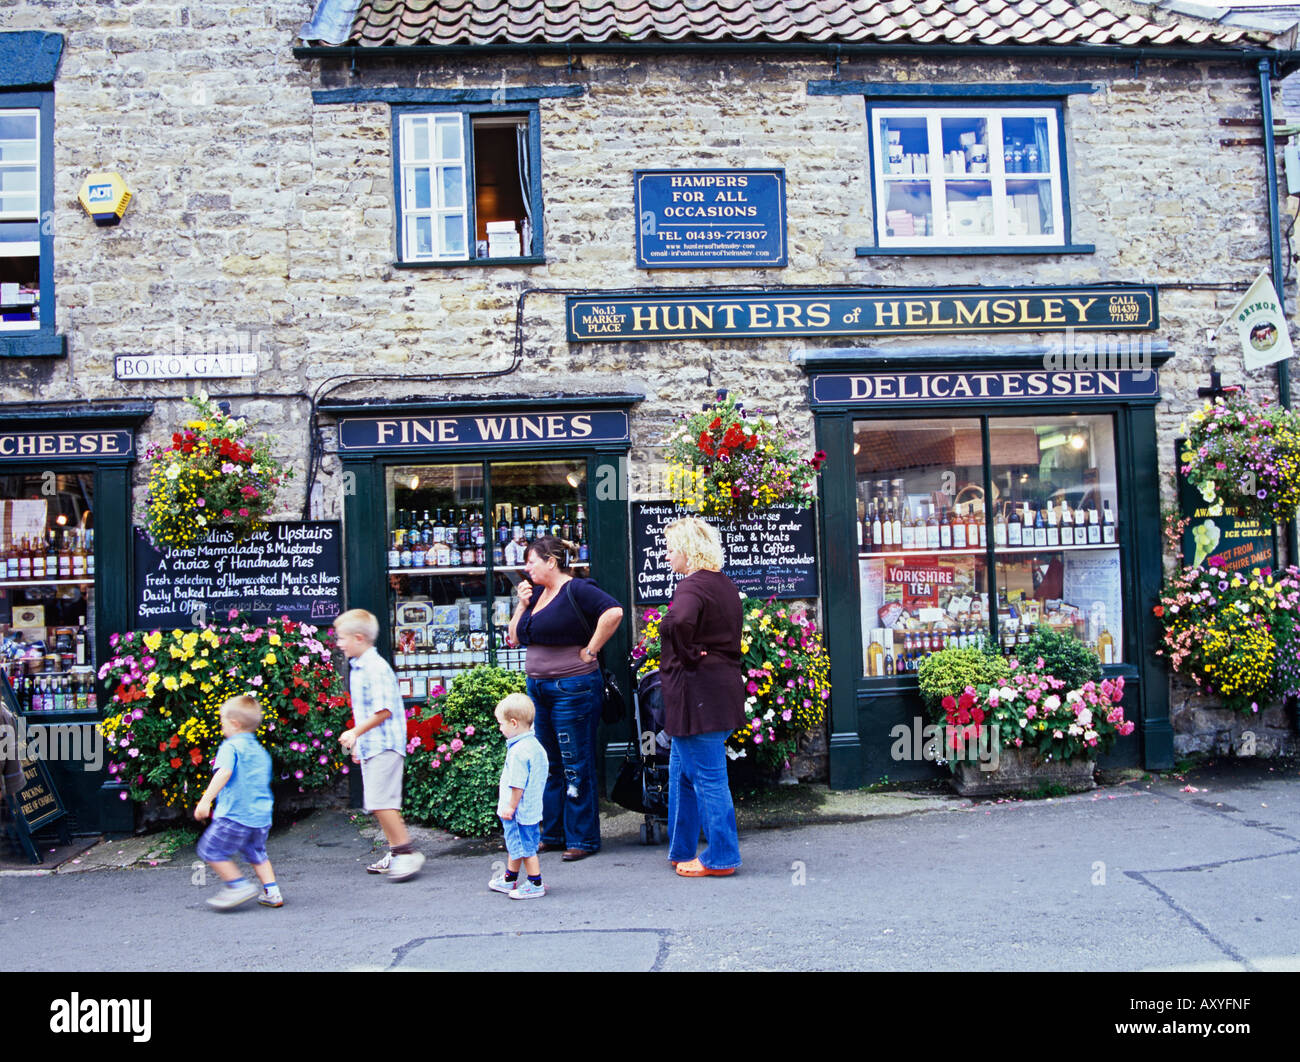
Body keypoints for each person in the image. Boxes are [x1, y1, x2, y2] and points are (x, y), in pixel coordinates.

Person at [507, 534, 623, 860]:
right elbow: (515, 637)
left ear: (551, 562)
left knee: (575, 762)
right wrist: (521, 604)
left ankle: (582, 839)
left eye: (531, 561)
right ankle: (554, 833)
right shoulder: (539, 595)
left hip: (573, 688)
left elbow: (613, 612)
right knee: (549, 763)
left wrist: (591, 650)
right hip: (539, 689)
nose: (526, 567)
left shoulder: (578, 589)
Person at [659, 516, 745, 877]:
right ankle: (680, 850)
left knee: (708, 778)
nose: (667, 557)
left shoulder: (692, 586)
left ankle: (722, 857)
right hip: (715, 691)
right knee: (681, 775)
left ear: (687, 551)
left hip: (699, 695)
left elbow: (678, 622)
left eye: (670, 549)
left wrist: (690, 653)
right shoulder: (722, 583)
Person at [335, 608, 425, 882]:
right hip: (374, 745)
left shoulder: (374, 668)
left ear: (359, 638)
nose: (339, 644)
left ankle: (405, 853)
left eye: (342, 638)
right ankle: (398, 853)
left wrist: (354, 733)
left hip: (385, 744)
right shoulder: (361, 666)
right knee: (381, 802)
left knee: (380, 801)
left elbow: (383, 710)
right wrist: (360, 744)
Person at [194, 694, 282, 909]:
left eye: (222, 721)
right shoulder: (260, 752)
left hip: (235, 815)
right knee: (256, 852)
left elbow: (224, 772)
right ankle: (273, 892)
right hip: (260, 817)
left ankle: (238, 885)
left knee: (210, 850)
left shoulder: (230, 747)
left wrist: (206, 801)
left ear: (234, 724)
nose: (221, 726)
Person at [488, 692, 550, 899]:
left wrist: (511, 807)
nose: (500, 728)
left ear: (513, 723)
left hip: (519, 812)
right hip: (531, 809)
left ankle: (535, 882)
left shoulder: (518, 752)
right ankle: (509, 878)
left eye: (501, 723)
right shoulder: (535, 747)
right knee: (517, 845)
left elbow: (517, 785)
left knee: (526, 849)